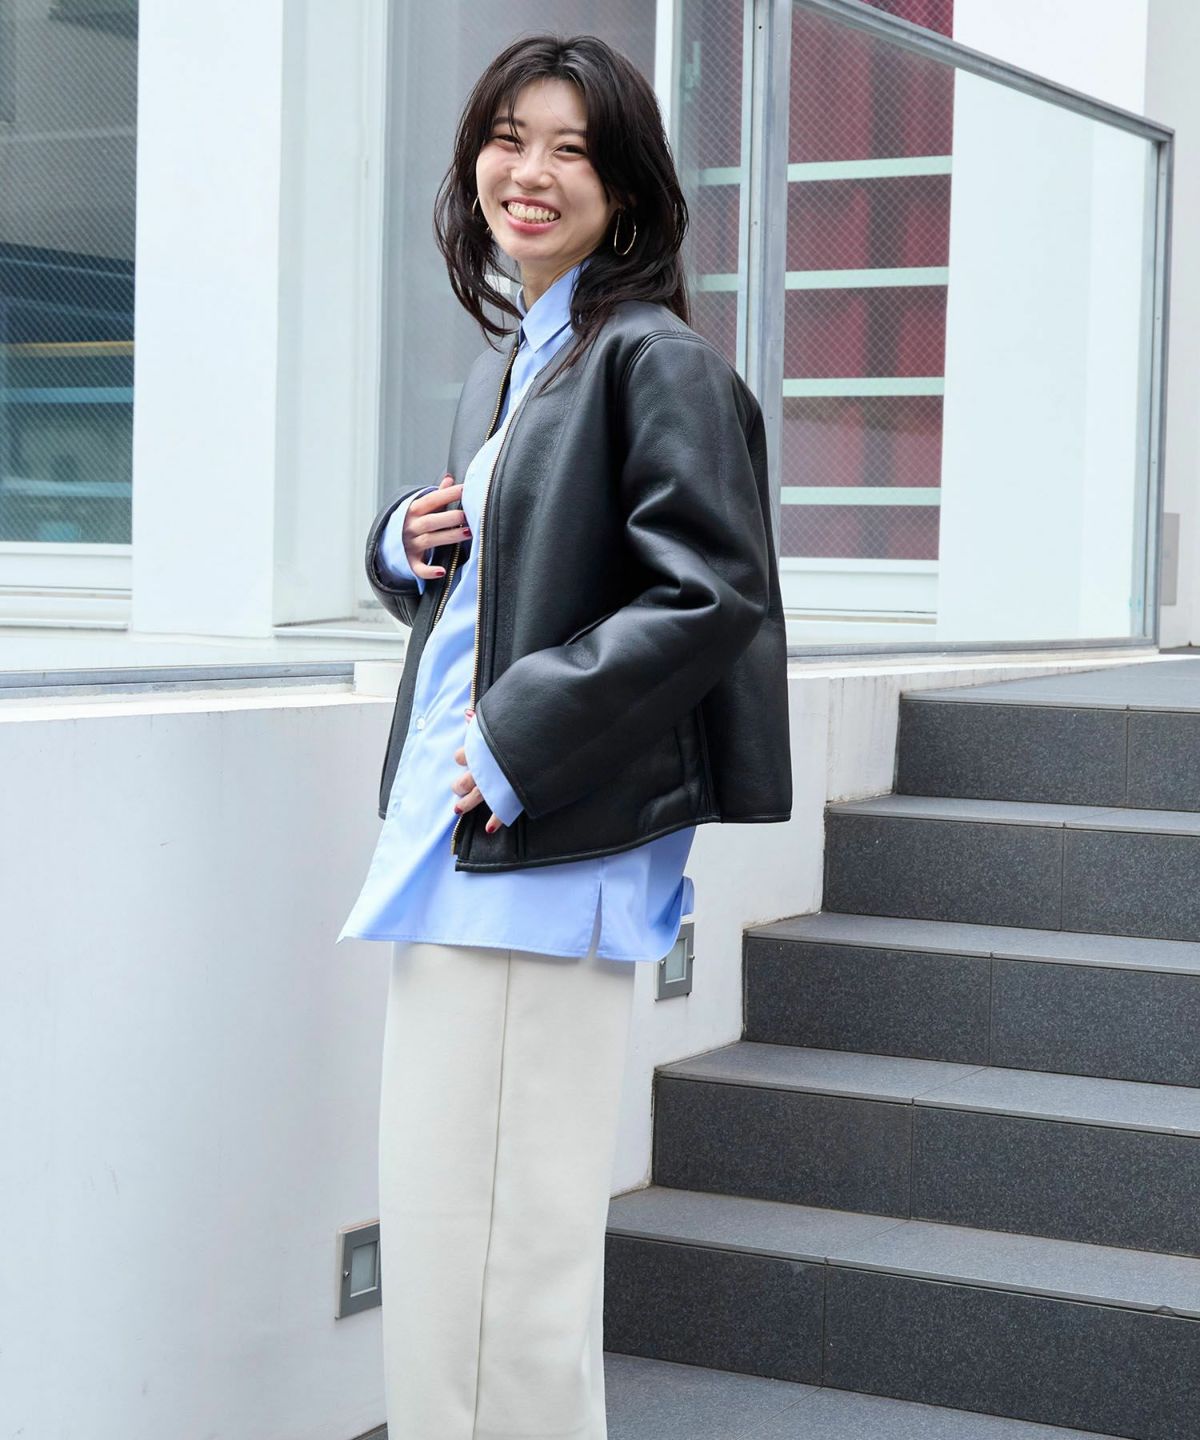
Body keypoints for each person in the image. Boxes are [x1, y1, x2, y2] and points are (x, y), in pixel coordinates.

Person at [337, 31, 791, 1440]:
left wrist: (517, 741)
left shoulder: (652, 361)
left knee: (493, 1290)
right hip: (478, 856)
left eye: (572, 150)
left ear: (628, 189)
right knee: (474, 1275)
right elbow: (524, 586)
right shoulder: (529, 366)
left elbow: (709, 594)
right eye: (508, 137)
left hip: (537, 862)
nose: (528, 172)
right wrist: (402, 550)